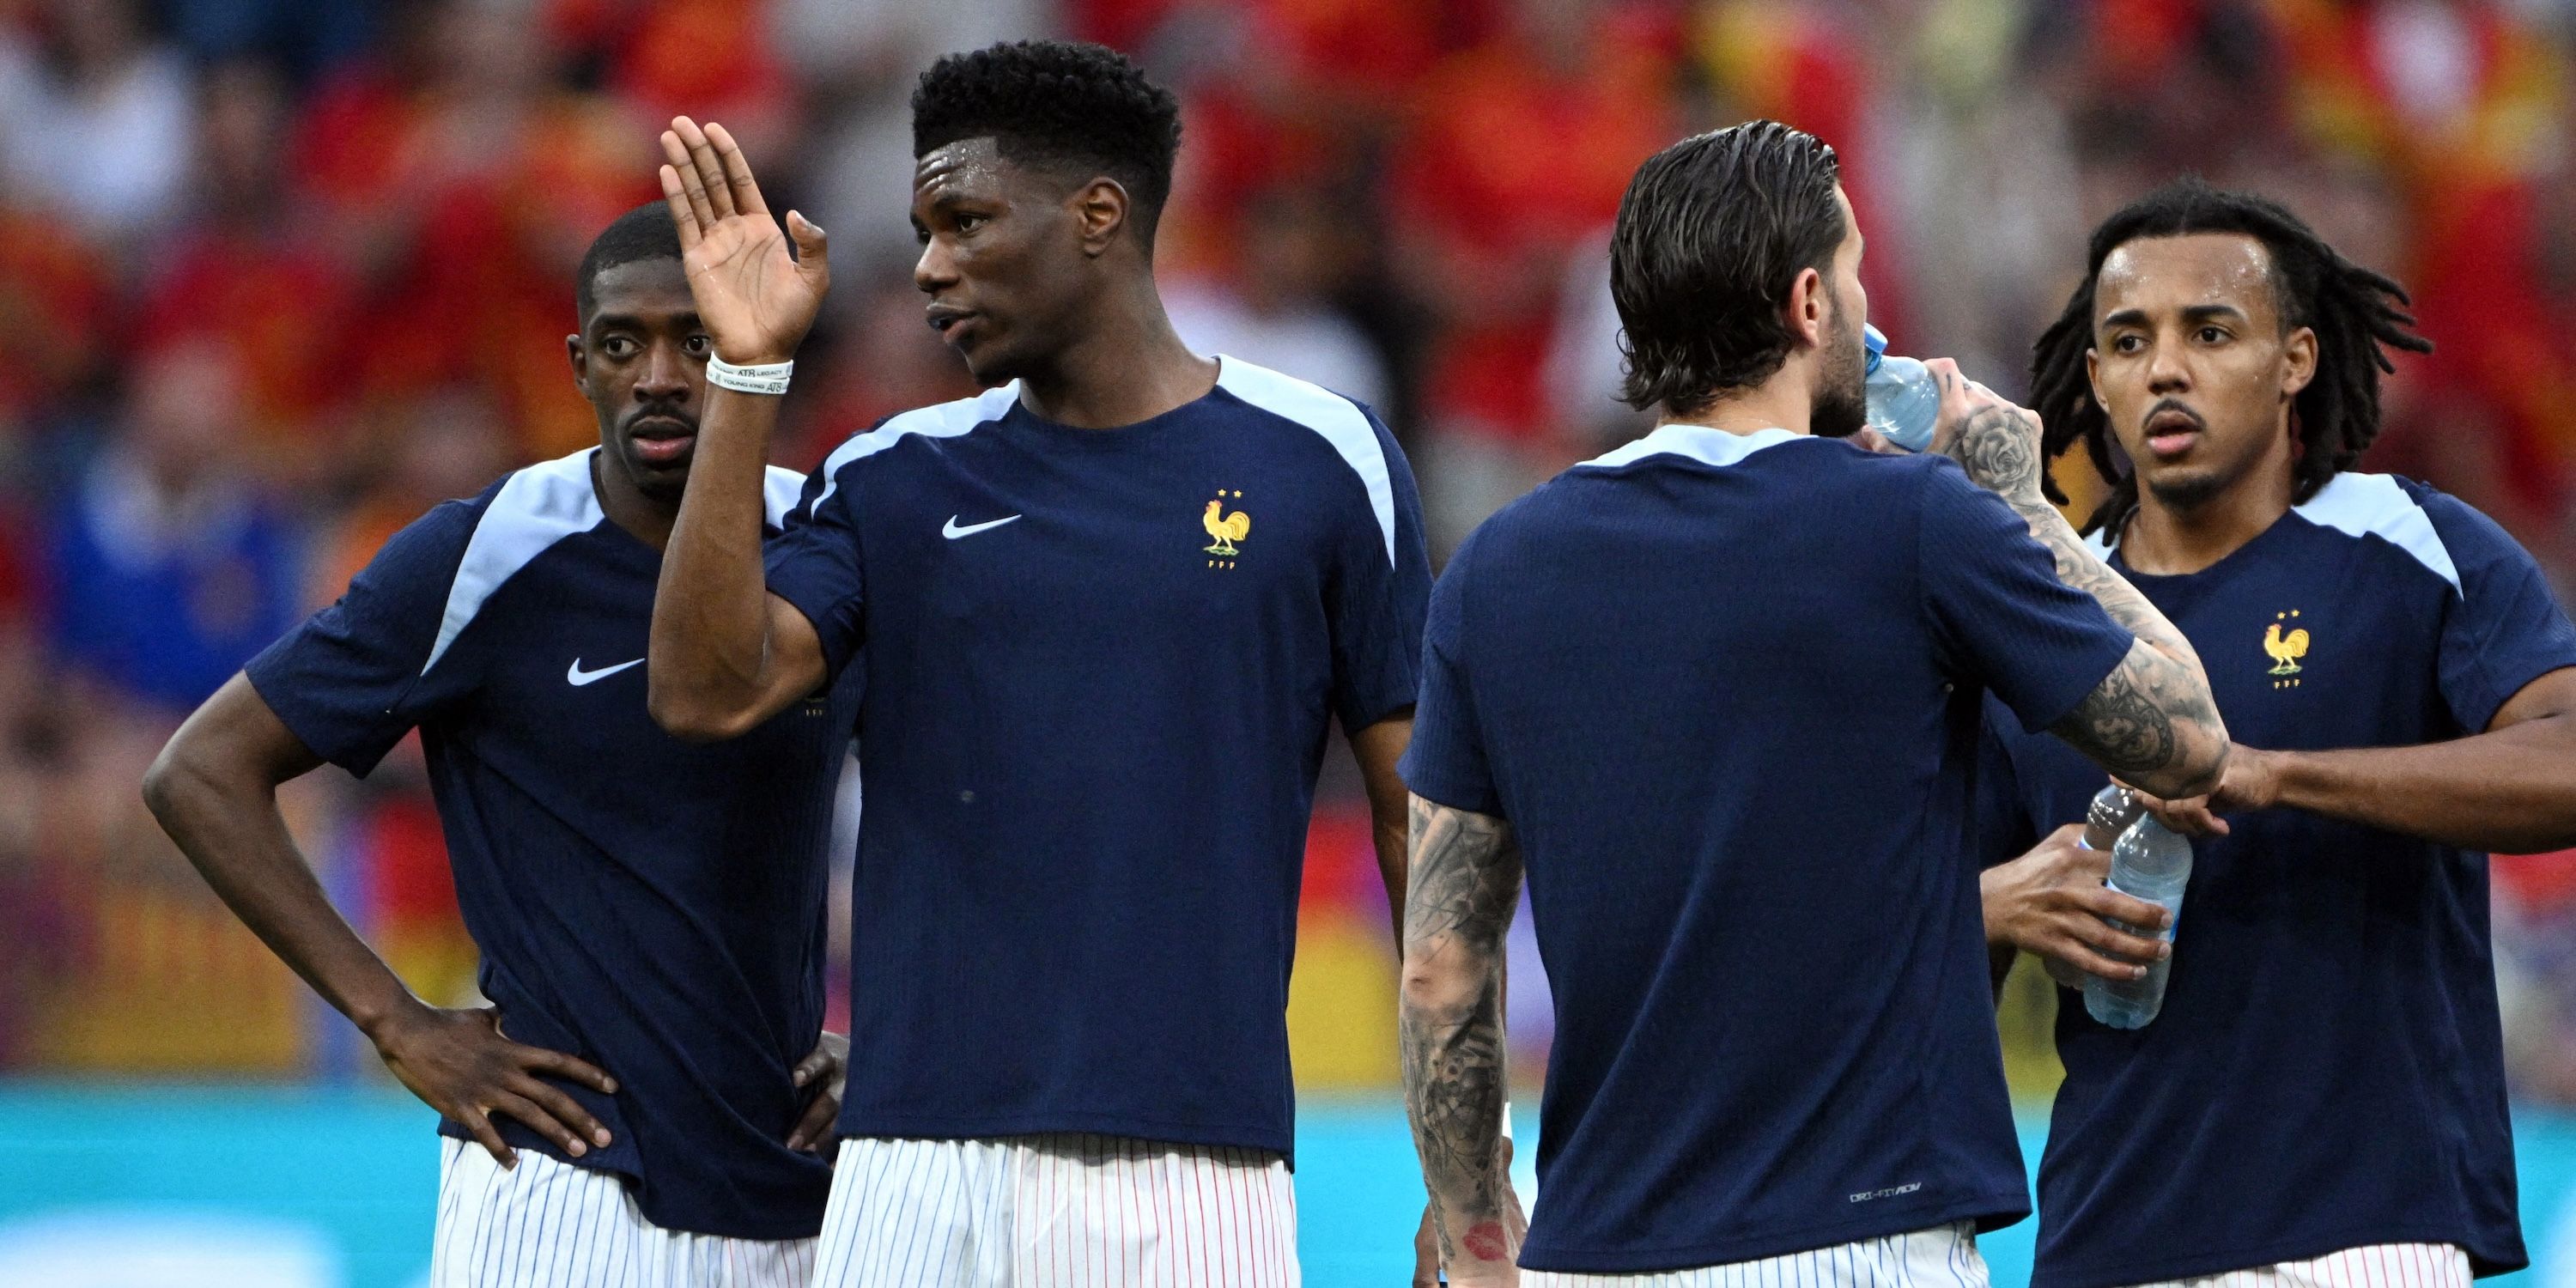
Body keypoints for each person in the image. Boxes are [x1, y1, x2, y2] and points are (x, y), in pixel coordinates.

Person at [641, 40, 1432, 1286]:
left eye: (964, 222)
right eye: (919, 229)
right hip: (906, 1167)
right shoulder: (889, 476)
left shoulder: (1322, 457)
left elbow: (1419, 832)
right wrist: (744, 374)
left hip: (1191, 1168)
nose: (927, 267)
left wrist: (1466, 1164)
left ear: (1097, 217)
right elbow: (702, 691)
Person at [1392, 121, 2233, 1288]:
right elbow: (2189, 741)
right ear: (1806, 304)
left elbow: (1442, 966)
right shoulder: (1919, 524)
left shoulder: (1493, 568)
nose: (1862, 295)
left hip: (1595, 1252)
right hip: (1858, 1239)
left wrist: (1480, 1239)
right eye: (1853, 269)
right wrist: (2021, 501)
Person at [141, 204, 859, 1287]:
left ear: (758, 352)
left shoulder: (824, 545)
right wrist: (395, 1021)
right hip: (564, 1180)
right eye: (624, 343)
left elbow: (967, 804)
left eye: (699, 341)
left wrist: (900, 1035)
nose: (660, 375)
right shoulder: (490, 552)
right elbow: (198, 771)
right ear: (578, 365)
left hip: (798, 1184)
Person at [1979, 179, 2576, 1288]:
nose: (2166, 367)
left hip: (2365, 1236)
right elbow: (1904, 954)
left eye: (2211, 331)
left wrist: (2277, 773)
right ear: (2097, 377)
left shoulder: (2414, 547)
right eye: (2129, 339)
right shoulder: (2038, 622)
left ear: (2296, 359)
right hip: (2109, 1241)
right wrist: (2000, 903)